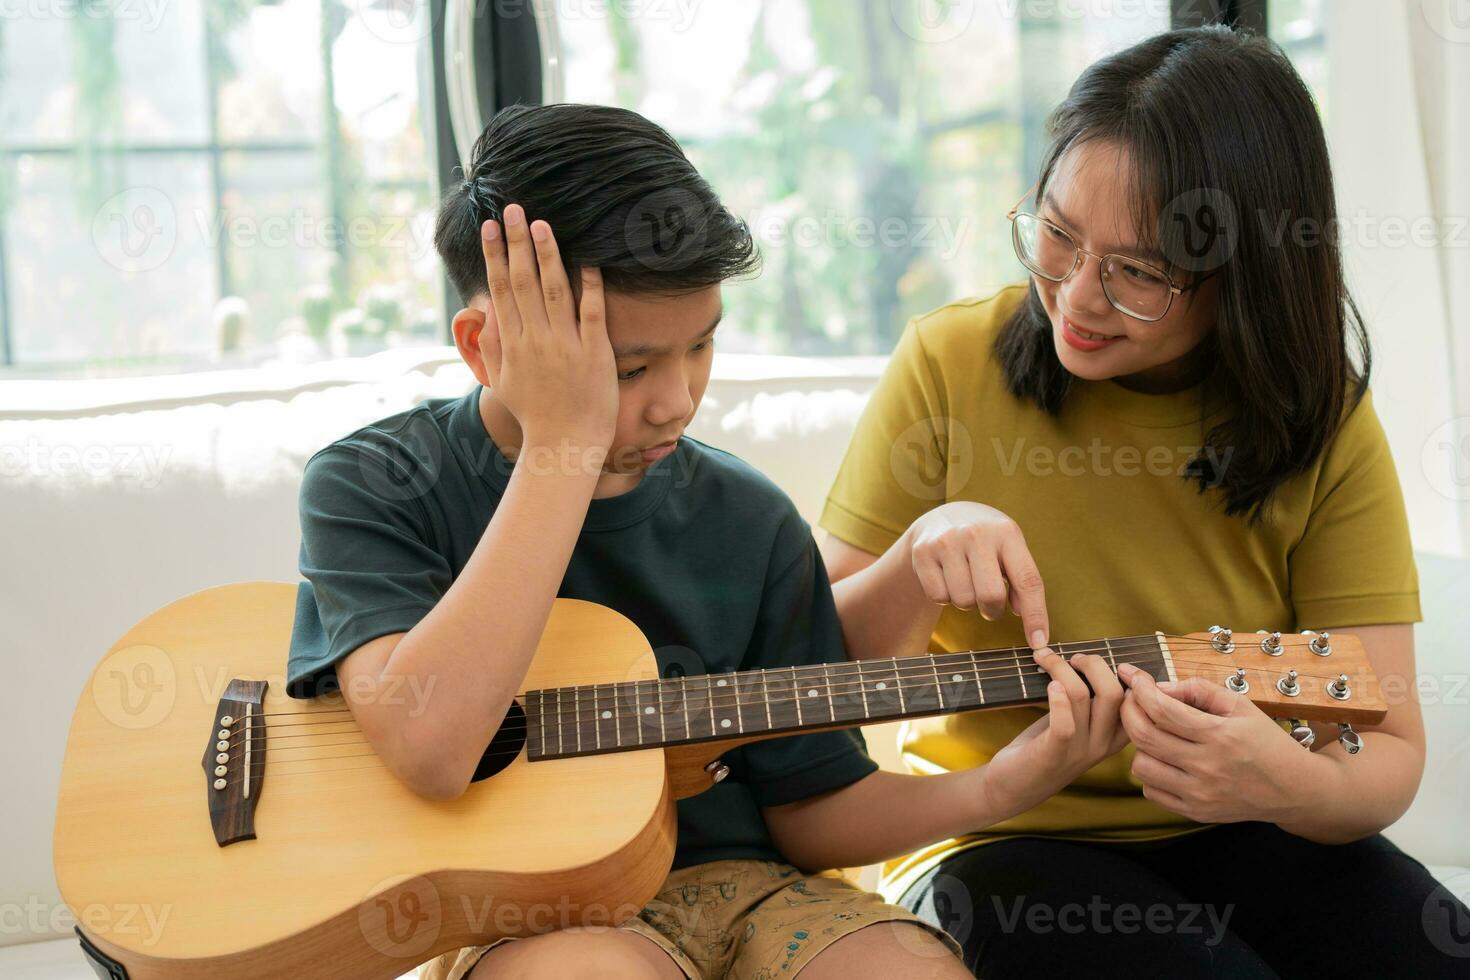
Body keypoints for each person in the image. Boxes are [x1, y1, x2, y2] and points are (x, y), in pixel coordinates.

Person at [285, 103, 1113, 980]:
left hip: (756, 888)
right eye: (631, 368)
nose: (677, 400)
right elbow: (433, 746)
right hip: (523, 913)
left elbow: (812, 810)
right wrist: (562, 447)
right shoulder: (375, 483)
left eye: (703, 346)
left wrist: (1004, 784)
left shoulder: (746, 517)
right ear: (486, 349)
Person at [818, 25, 1470, 978]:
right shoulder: (947, 366)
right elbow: (812, 668)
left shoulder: (1319, 415)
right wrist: (917, 557)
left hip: (1247, 820)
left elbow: (1390, 746)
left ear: (1245, 279)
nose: (1077, 299)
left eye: (1139, 274)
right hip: (994, 833)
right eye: (1057, 236)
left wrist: (1283, 780)